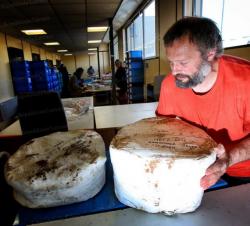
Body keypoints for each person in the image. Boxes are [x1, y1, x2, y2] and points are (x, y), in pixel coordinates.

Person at [156, 17, 250, 190]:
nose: (175, 71)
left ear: (210, 53)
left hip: (244, 174)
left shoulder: (246, 81)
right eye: (171, 62)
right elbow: (165, 130)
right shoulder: (170, 85)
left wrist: (230, 158)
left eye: (183, 63)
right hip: (196, 171)